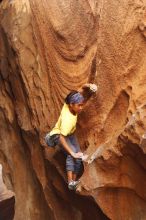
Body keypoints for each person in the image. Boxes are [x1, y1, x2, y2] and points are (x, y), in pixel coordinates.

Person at [45, 83, 97, 190]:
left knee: (79, 156)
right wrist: (71, 152)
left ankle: (74, 181)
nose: (81, 108)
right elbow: (61, 137)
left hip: (70, 133)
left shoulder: (69, 102)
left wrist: (90, 86)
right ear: (72, 105)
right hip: (58, 135)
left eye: (82, 104)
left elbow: (82, 88)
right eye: (79, 105)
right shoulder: (67, 119)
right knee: (72, 154)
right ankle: (70, 182)